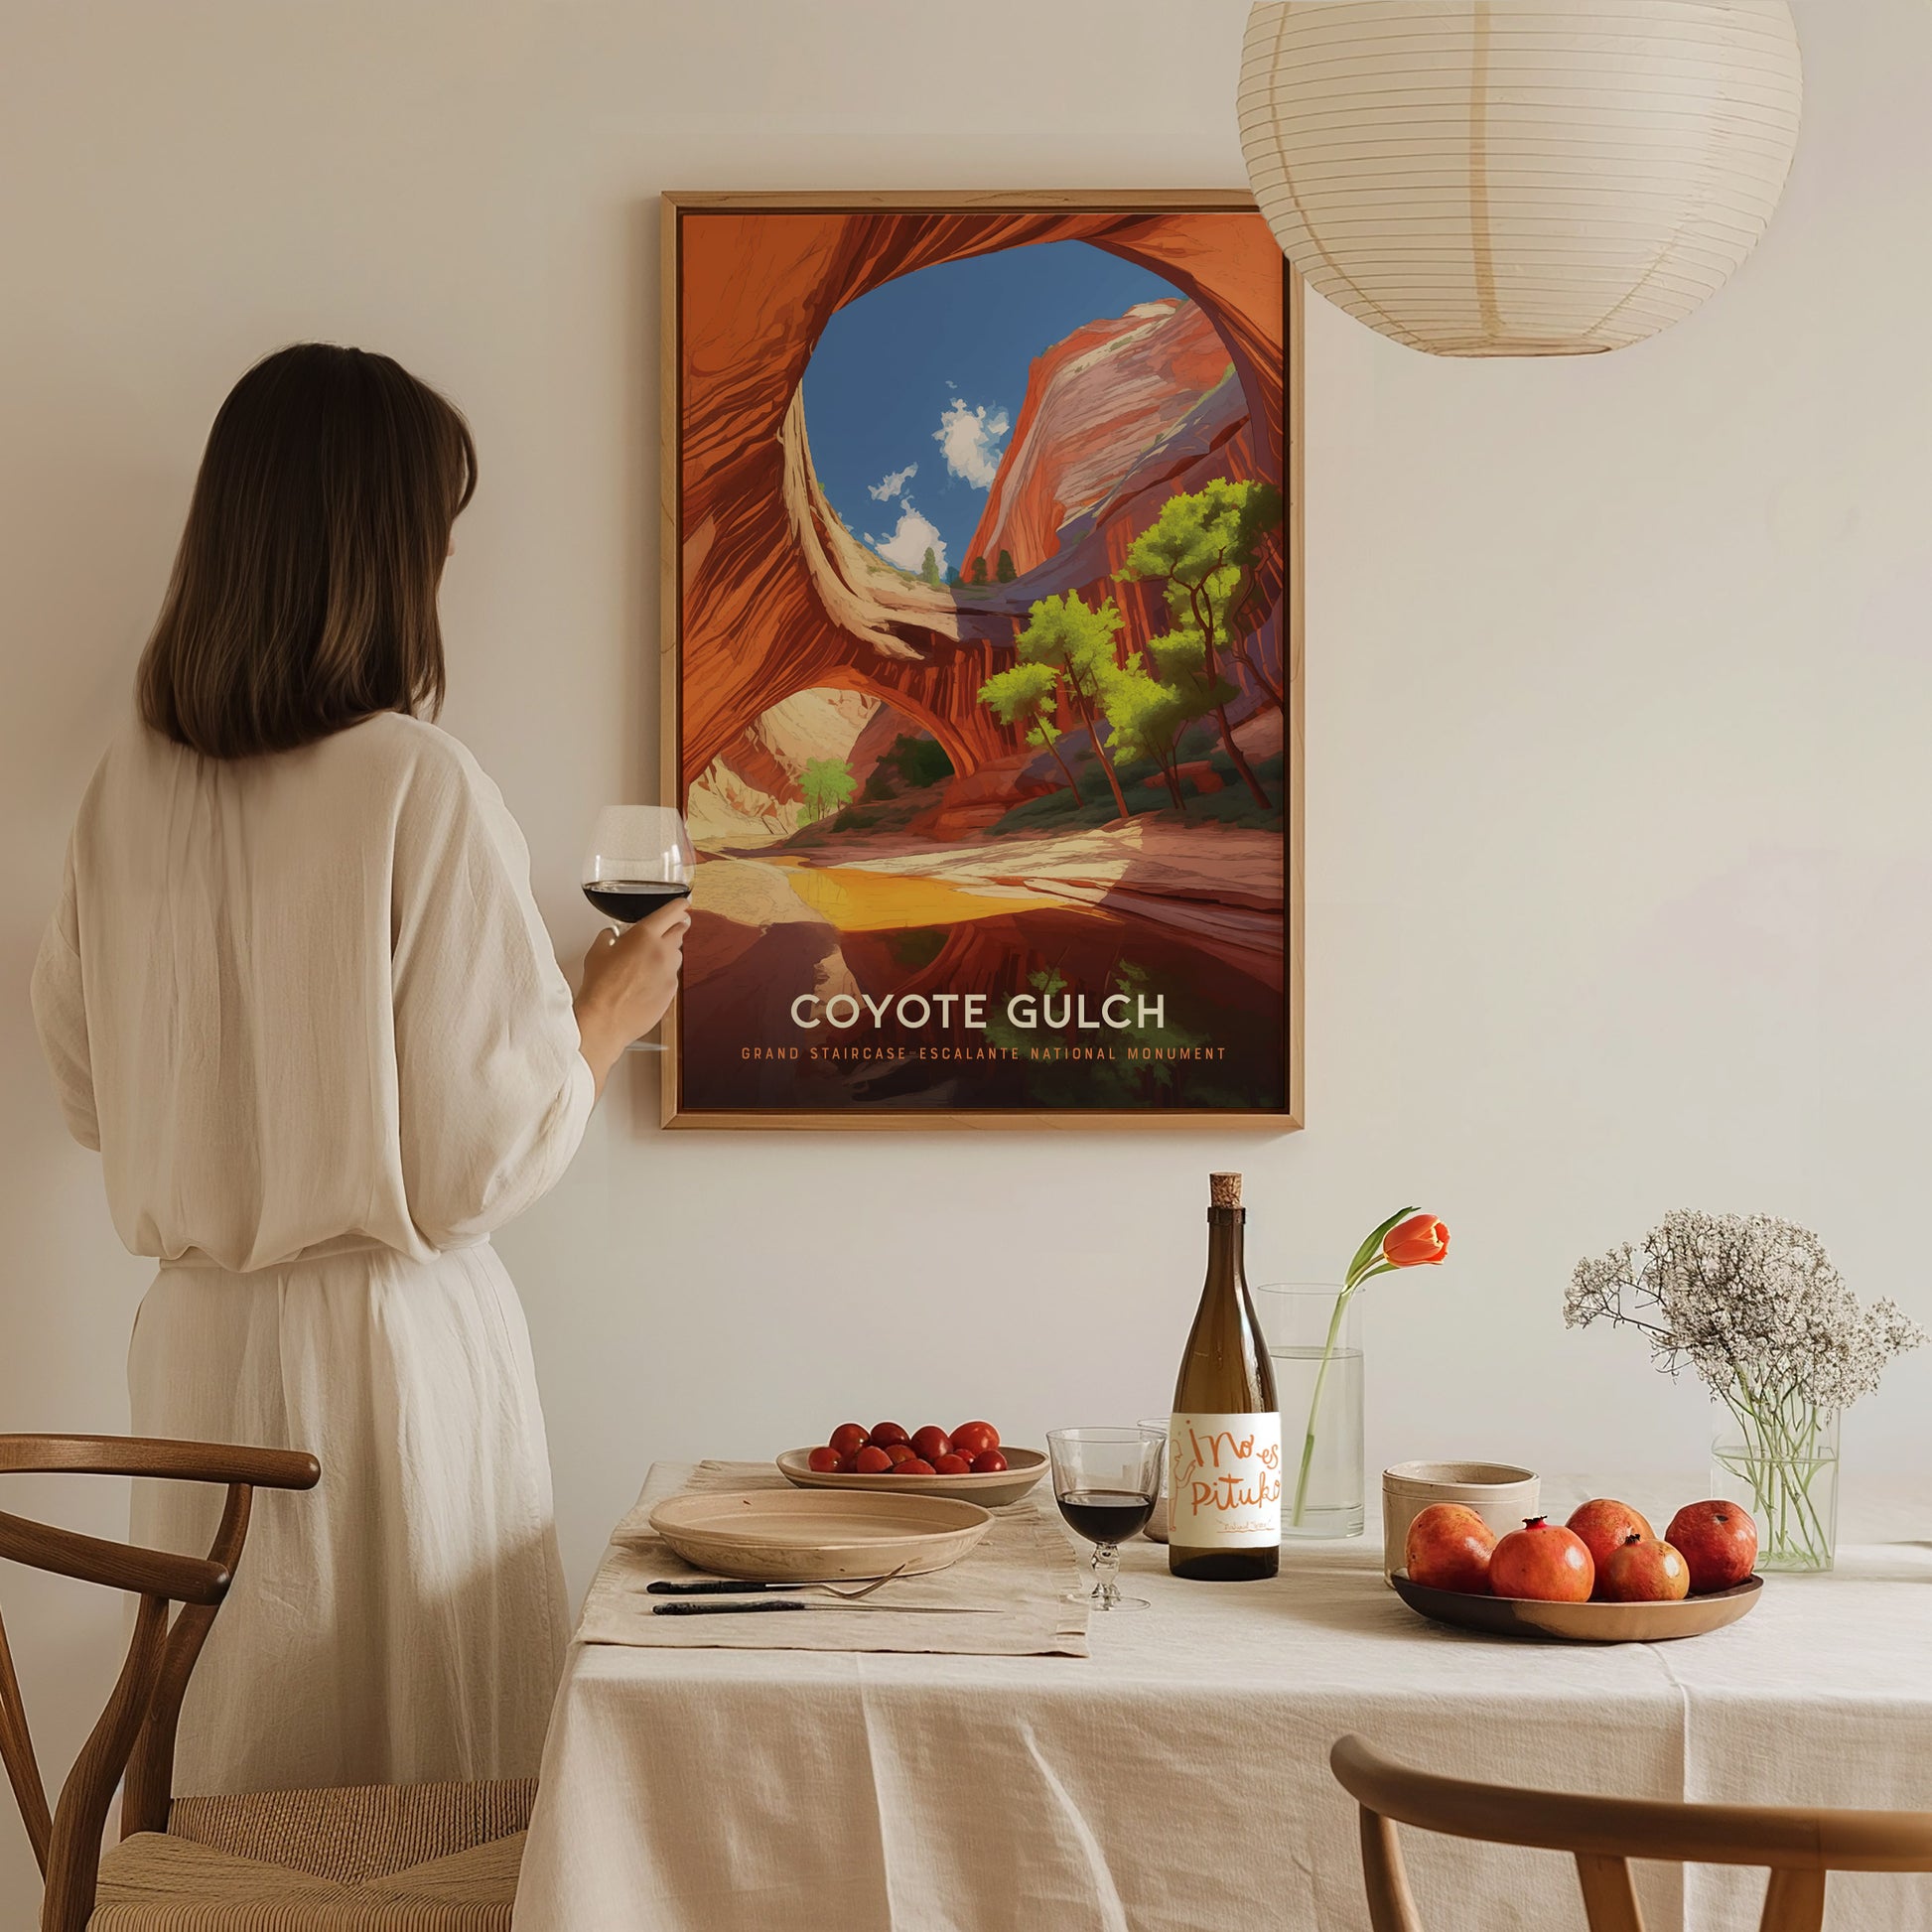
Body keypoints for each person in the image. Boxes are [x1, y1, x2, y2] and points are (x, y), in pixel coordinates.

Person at [29, 343, 686, 1793]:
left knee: (239, 1781)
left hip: (195, 1353)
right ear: (384, 552)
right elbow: (470, 1165)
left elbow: (86, 1092)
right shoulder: (414, 780)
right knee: (421, 1799)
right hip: (388, 1364)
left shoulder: (121, 792)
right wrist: (602, 1012)